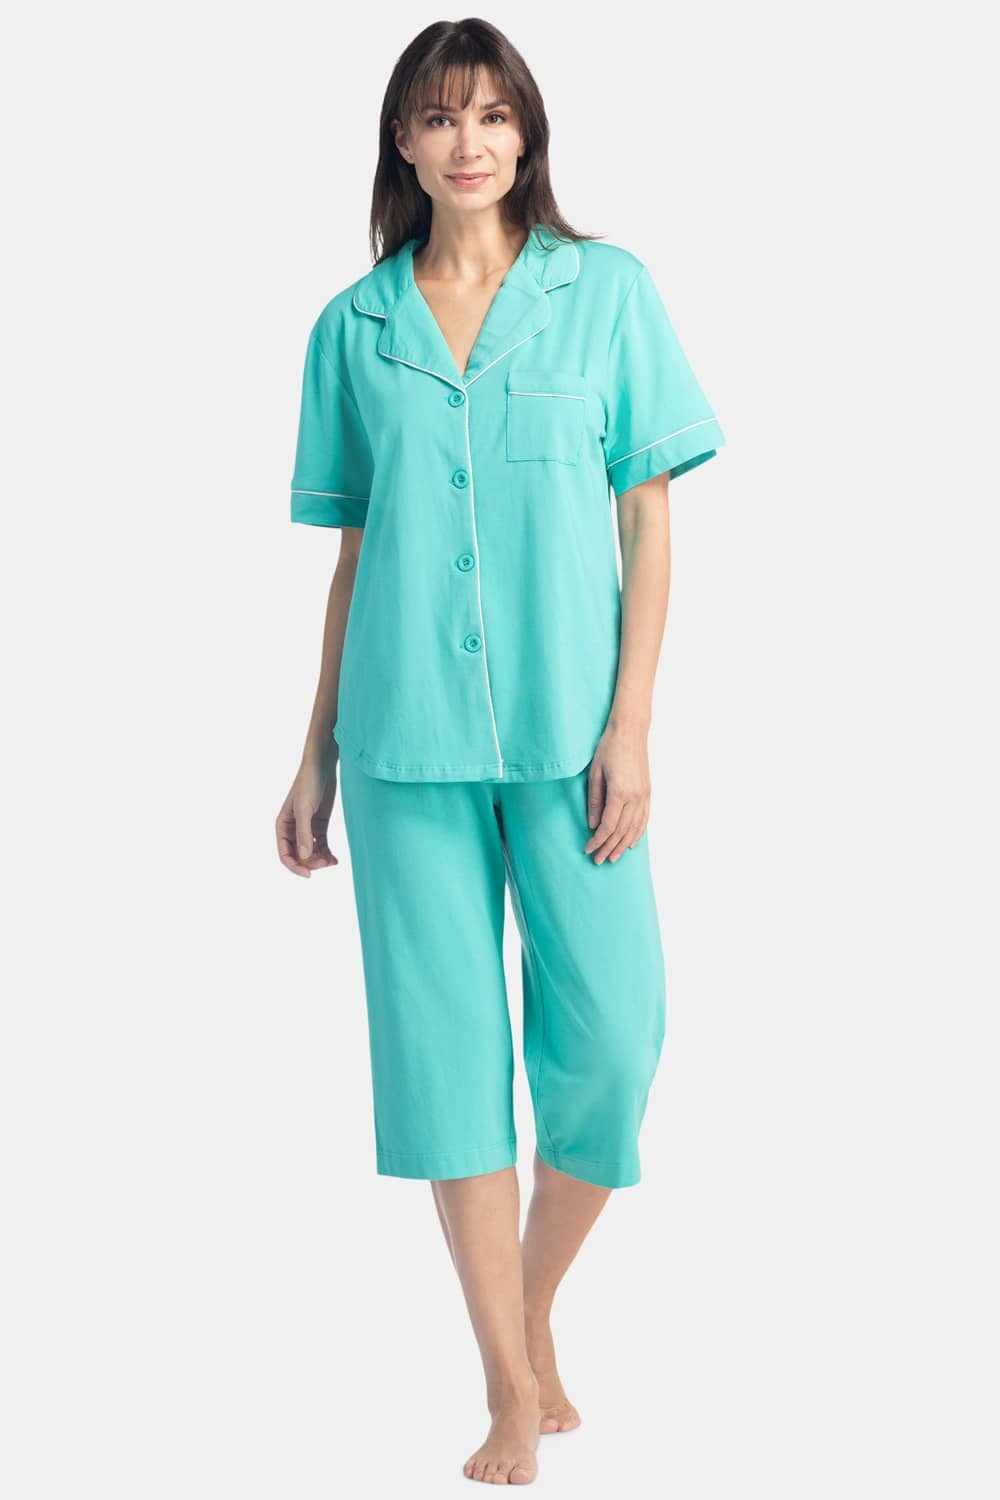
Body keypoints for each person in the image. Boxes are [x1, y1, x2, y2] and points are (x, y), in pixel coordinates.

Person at [275, 17, 725, 1487]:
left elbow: (648, 517)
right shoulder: (352, 329)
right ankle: (508, 1388)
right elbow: (355, 554)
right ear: (402, 145)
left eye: (491, 114)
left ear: (526, 135)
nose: (467, 141)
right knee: (449, 1066)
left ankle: (528, 1316)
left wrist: (633, 726)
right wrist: (313, 754)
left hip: (573, 741)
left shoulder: (608, 293)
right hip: (401, 744)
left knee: (616, 1042)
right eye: (436, 117)